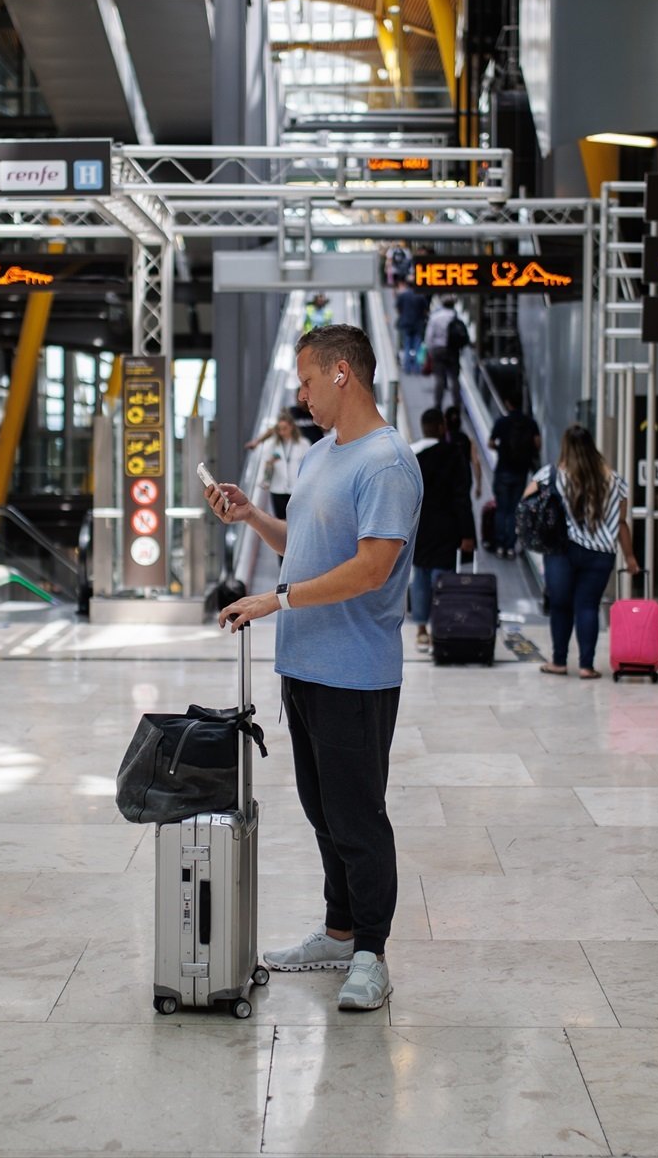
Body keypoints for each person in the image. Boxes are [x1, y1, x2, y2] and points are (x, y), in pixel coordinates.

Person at [205, 323, 422, 1012]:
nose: (298, 394)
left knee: (359, 817)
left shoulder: (387, 462)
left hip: (356, 672)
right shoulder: (323, 454)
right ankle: (338, 931)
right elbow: (305, 542)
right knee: (323, 812)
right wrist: (252, 518)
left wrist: (278, 599)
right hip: (304, 667)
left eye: (304, 380)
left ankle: (371, 954)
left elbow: (370, 567)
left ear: (340, 374)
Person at [527, 424, 640, 679]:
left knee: (560, 606)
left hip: (561, 551)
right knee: (587, 606)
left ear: (566, 447)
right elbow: (621, 522)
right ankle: (586, 667)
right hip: (601, 553)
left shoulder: (551, 474)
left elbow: (526, 501)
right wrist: (630, 557)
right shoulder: (614, 479)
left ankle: (558, 662)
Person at [408, 407, 476, 653]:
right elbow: (461, 496)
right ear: (441, 427)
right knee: (442, 579)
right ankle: (442, 627)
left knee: (420, 576)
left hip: (418, 526)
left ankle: (421, 631)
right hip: (446, 527)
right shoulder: (453, 454)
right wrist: (468, 533)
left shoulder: (410, 454)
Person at [487, 392, 542, 560]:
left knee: (501, 510)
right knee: (513, 510)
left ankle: (500, 544)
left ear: (507, 403)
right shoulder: (530, 423)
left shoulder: (502, 422)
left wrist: (500, 450)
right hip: (521, 471)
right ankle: (511, 546)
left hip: (503, 469)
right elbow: (538, 444)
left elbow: (490, 443)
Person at [247, 410, 309, 520]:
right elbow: (265, 465)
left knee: (297, 521)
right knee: (281, 521)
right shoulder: (272, 445)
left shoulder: (303, 444)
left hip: (296, 489)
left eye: (285, 428)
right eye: (279, 429)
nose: (282, 432)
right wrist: (270, 463)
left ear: (291, 426)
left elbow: (309, 467)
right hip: (278, 489)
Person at [424, 297, 466, 411]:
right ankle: (457, 404)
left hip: (438, 350)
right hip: (453, 350)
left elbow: (429, 336)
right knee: (454, 378)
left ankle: (438, 404)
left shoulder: (435, 317)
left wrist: (430, 351)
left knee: (439, 378)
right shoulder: (456, 317)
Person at [440, 403, 484, 501]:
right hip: (464, 477)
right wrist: (479, 485)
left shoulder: (442, 439)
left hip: (447, 478)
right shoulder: (468, 439)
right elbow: (476, 462)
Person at [395, 284, 430, 375]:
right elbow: (426, 310)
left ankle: (407, 368)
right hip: (418, 325)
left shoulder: (403, 295)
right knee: (417, 347)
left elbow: (398, 308)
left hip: (406, 324)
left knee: (407, 346)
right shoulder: (421, 296)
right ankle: (417, 368)